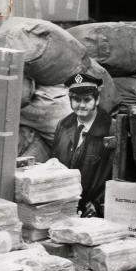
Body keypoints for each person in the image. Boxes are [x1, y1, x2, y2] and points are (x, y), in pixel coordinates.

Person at [52, 71, 113, 217]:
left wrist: (98, 204)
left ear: (97, 100)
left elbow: (118, 176)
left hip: (94, 210)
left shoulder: (111, 129)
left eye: (87, 100)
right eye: (76, 100)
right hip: (65, 206)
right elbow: (54, 163)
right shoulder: (63, 125)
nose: (81, 105)